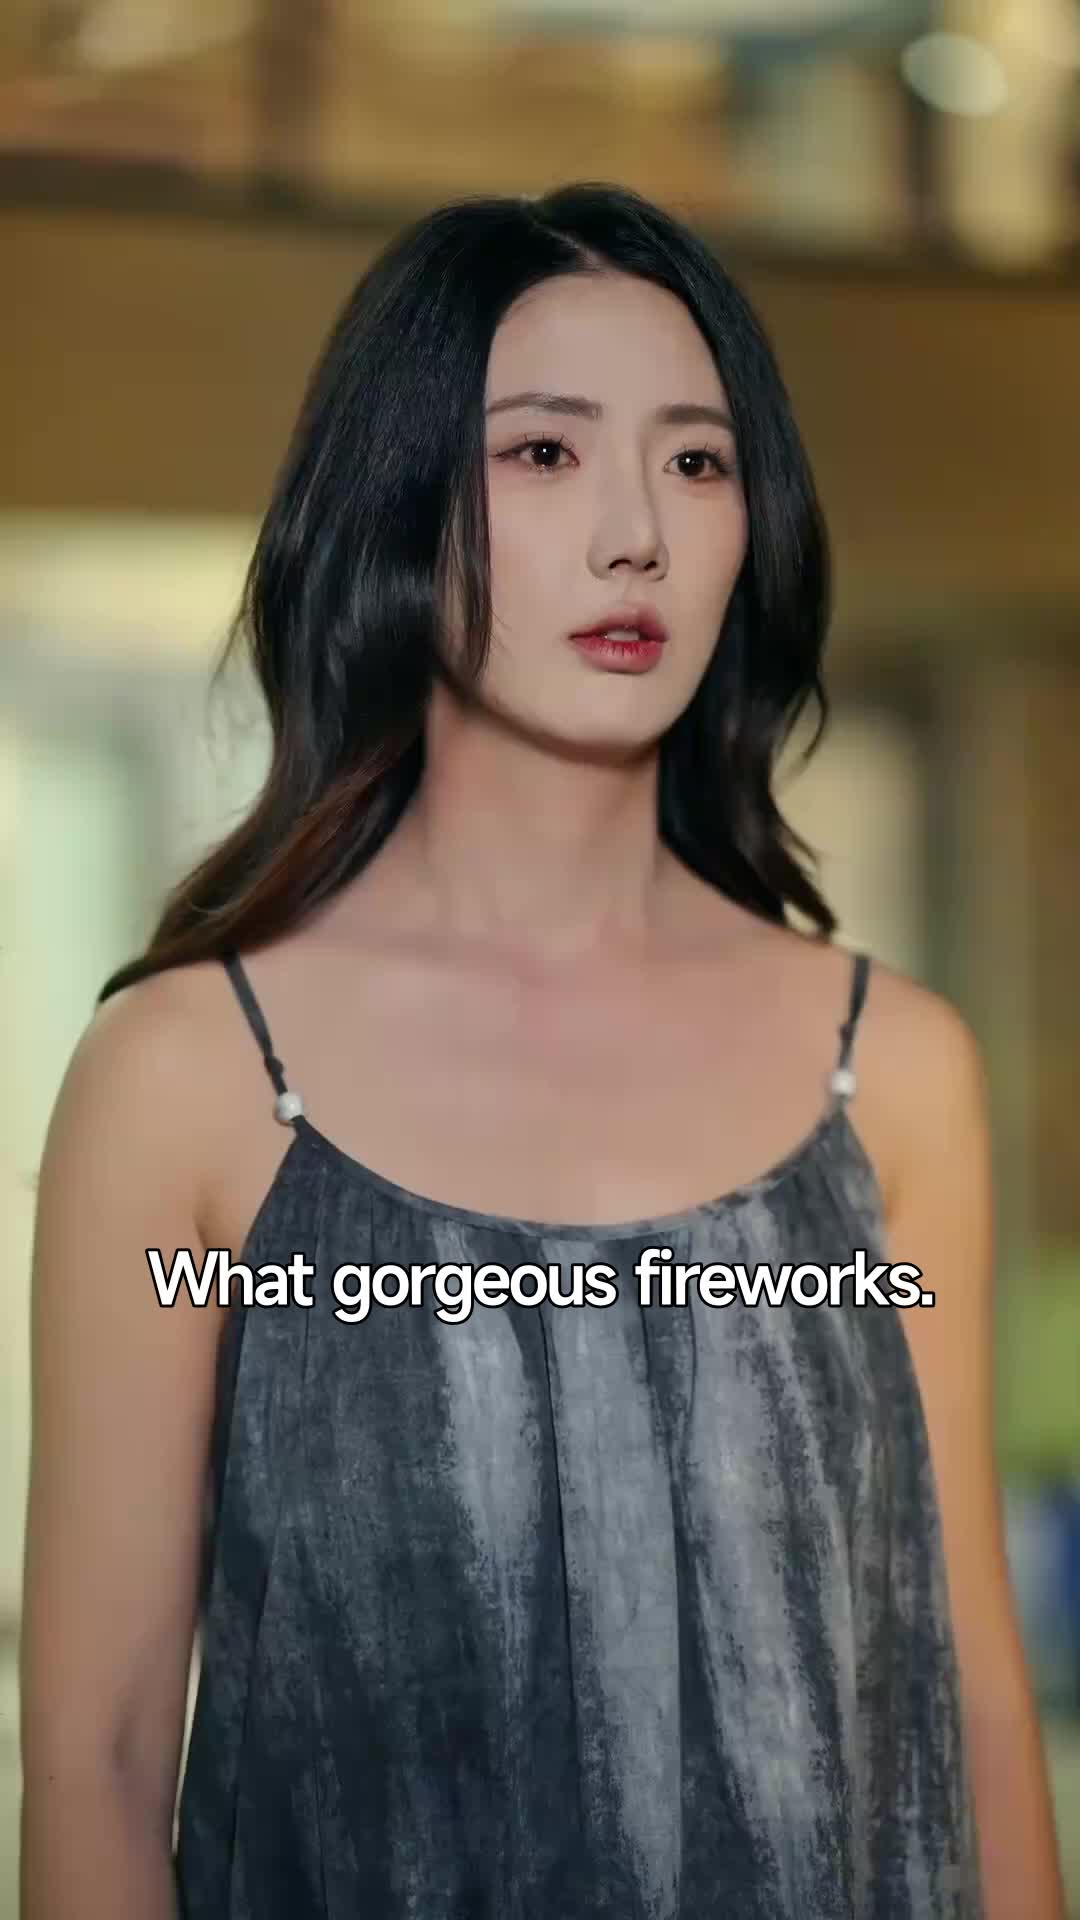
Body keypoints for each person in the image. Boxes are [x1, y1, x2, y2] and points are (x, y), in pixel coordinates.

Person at [19, 183, 1065, 1919]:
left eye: (698, 461)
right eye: (544, 453)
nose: (636, 532)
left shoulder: (890, 1073)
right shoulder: (190, 1077)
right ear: (399, 505)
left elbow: (964, 1697)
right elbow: (98, 1756)